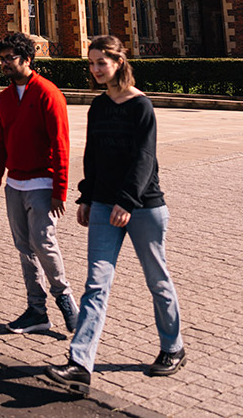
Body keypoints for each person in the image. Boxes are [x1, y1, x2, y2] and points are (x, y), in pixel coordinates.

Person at [46, 35, 185, 394]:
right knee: (96, 285)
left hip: (143, 207)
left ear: (118, 62)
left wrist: (126, 200)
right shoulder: (99, 106)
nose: (94, 70)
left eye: (100, 63)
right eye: (91, 64)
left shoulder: (141, 106)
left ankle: (173, 347)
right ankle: (80, 363)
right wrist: (87, 197)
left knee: (157, 279)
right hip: (106, 204)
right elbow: (93, 155)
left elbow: (145, 159)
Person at [0, 32, 79, 334]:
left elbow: (61, 143)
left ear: (27, 59)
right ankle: (36, 310)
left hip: (41, 180)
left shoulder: (48, 93)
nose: (3, 64)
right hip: (15, 184)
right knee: (24, 247)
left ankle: (64, 297)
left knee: (44, 243)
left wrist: (59, 190)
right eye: (0, 59)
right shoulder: (4, 98)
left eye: (9, 58)